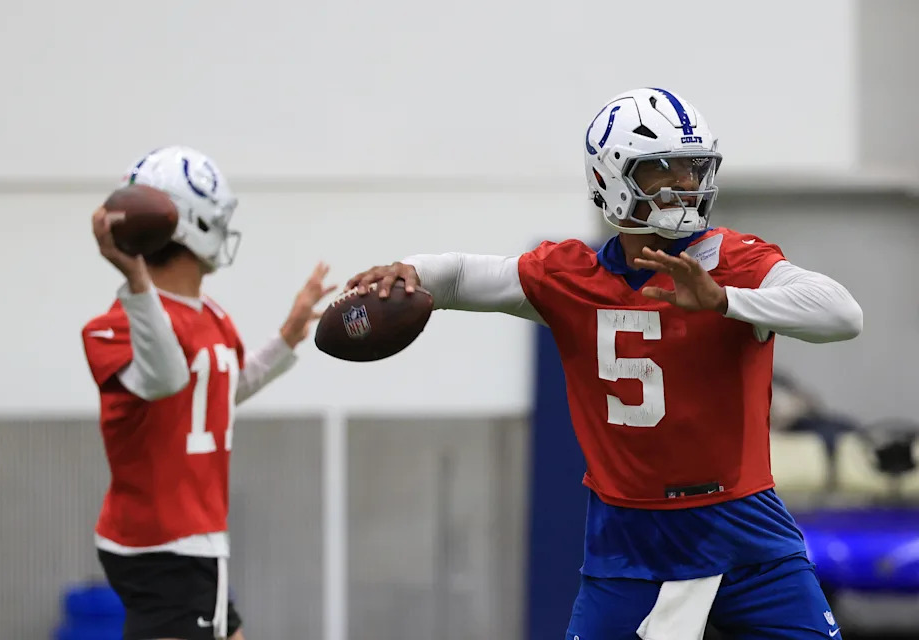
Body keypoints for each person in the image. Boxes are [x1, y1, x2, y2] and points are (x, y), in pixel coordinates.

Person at [346, 88, 863, 639]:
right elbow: (462, 275)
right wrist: (409, 271)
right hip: (629, 539)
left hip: (744, 528)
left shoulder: (733, 262)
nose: (686, 183)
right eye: (663, 169)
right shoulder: (569, 276)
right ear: (610, 181)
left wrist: (724, 300)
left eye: (693, 167)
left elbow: (843, 314)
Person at [82, 146, 334, 640]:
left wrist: (285, 338)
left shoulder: (211, 315)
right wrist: (136, 281)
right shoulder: (115, 327)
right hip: (161, 548)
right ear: (190, 222)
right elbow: (167, 378)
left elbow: (220, 391)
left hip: (198, 543)